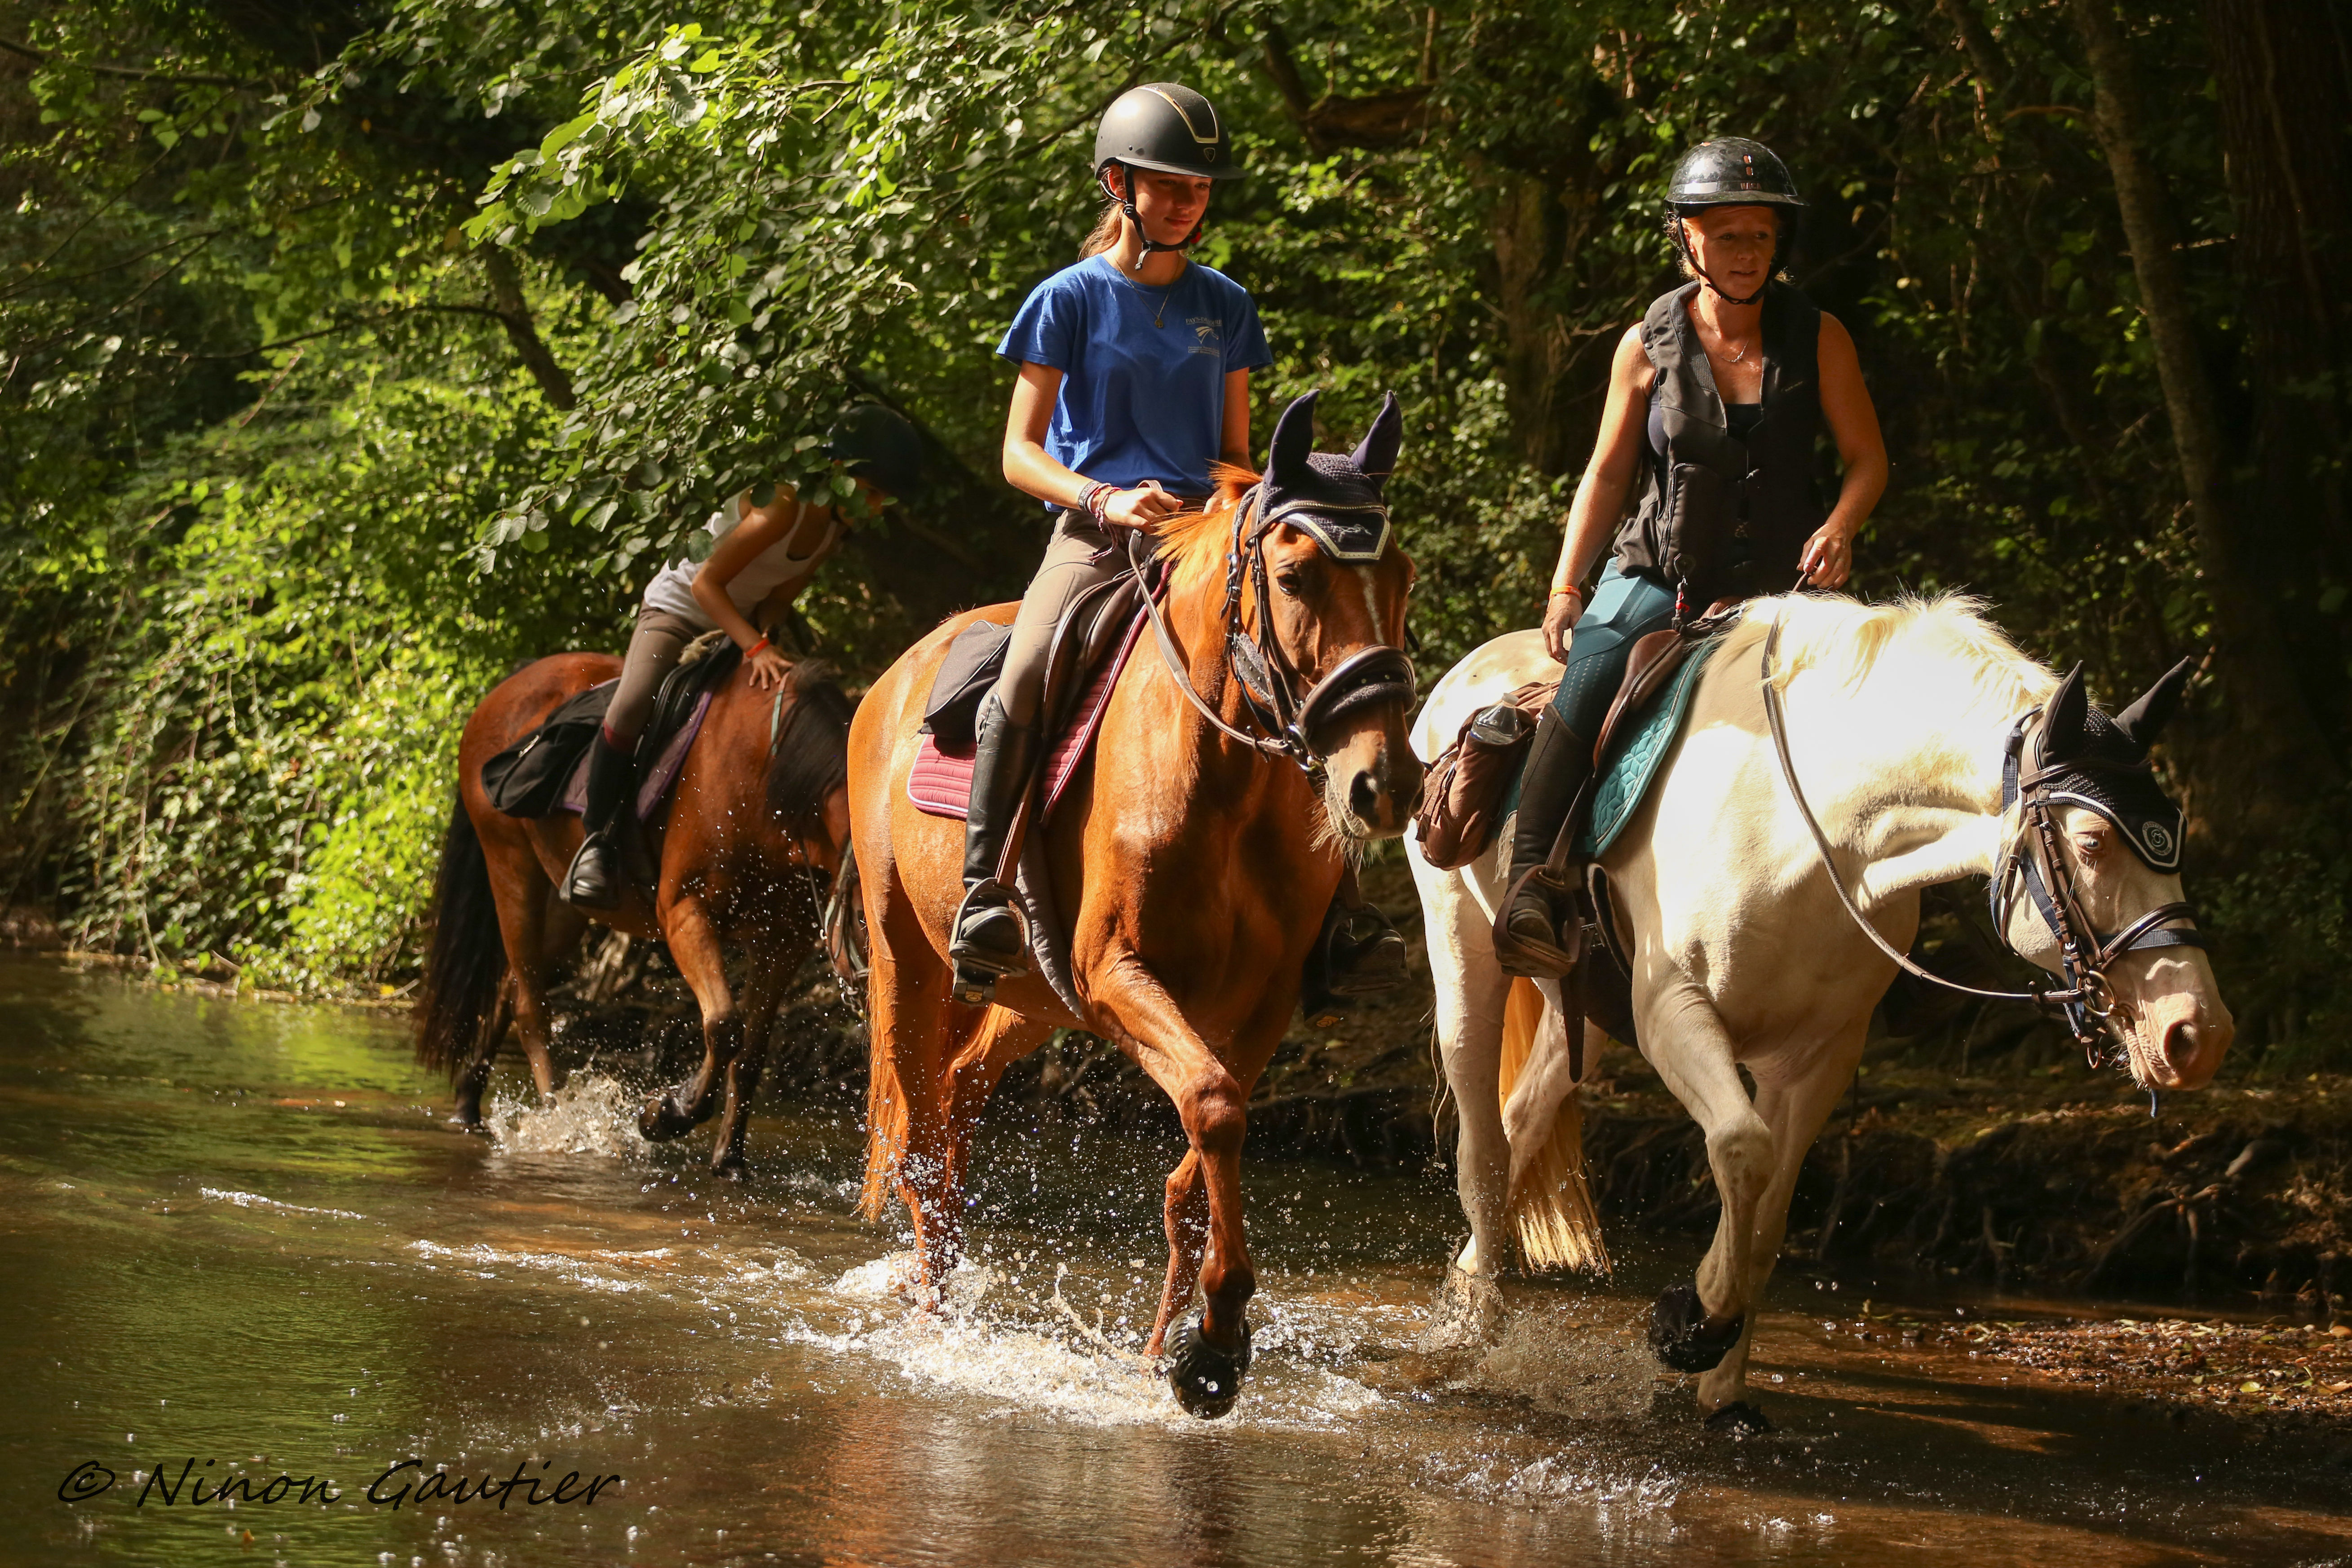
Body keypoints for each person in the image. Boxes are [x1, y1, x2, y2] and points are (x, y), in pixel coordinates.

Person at [951, 83, 1405, 1002]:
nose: (1187, 203)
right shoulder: (1066, 299)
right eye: (1168, 186)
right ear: (1119, 185)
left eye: (1198, 189)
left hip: (1207, 535)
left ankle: (1338, 907)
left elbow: (1236, 458)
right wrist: (1104, 498)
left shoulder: (1225, 305)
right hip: (1097, 533)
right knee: (1027, 666)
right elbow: (1015, 451)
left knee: (1292, 668)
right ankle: (982, 890)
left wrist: (1231, 512)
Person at [1495, 137, 1889, 976]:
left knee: (1876, 689)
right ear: (1686, 238)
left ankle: (1891, 901)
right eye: (1727, 236)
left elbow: (1867, 460)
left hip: (1784, 586)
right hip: (1659, 574)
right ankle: (1531, 879)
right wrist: (1569, 584)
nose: (1747, 254)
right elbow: (1605, 473)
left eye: (1760, 236)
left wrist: (1843, 524)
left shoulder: (1819, 338)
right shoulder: (1645, 344)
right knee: (1592, 671)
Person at [561, 404, 924, 908]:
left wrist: (766, 637)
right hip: (680, 610)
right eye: (872, 492)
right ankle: (597, 842)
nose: (878, 507)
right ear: (838, 472)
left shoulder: (833, 527)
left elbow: (778, 597)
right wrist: (755, 646)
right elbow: (706, 582)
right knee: (632, 703)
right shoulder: (782, 505)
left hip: (742, 623)